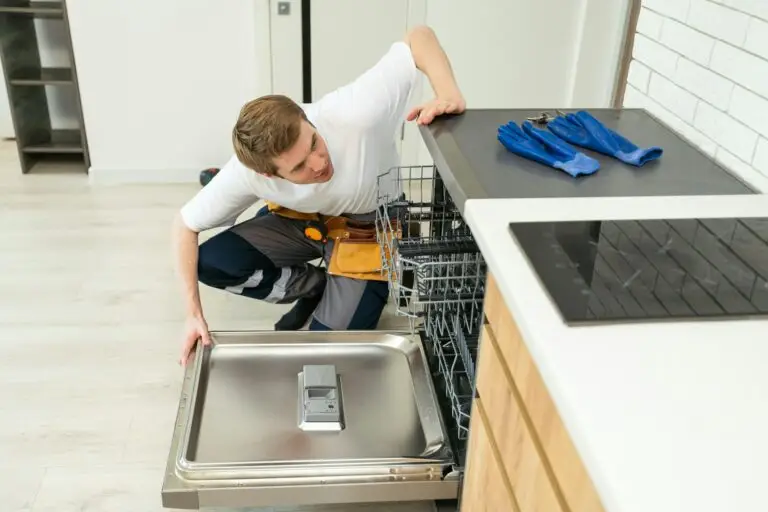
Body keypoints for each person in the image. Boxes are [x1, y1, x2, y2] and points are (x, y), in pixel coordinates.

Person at [172, 25, 466, 365]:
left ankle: (346, 287)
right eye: (299, 167)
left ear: (304, 117)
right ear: (269, 174)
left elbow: (418, 37)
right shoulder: (246, 173)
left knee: (328, 349)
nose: (319, 163)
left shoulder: (356, 113)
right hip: (301, 222)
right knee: (211, 263)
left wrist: (449, 92)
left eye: (313, 142)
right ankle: (313, 286)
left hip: (369, 227)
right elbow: (184, 226)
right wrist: (192, 314)